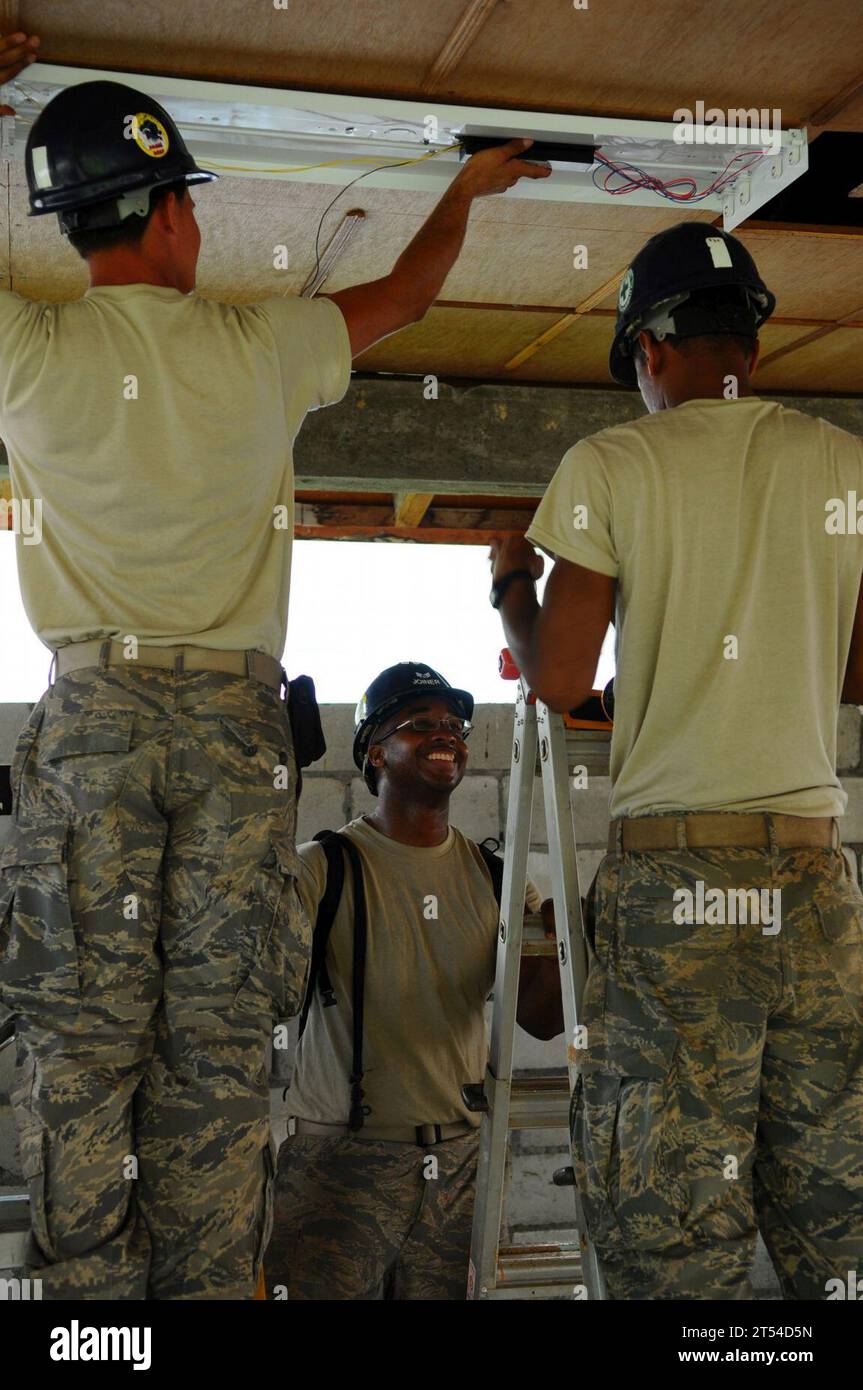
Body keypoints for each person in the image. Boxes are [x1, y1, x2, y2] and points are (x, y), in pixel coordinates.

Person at [0, 26, 549, 1299]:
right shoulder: (260, 346)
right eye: (191, 206)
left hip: (94, 719)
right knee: (212, 1045)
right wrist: (464, 190)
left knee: (82, 1043)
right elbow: (407, 295)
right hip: (231, 728)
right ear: (169, 218)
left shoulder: (29, 351)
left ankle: (89, 1326)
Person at [488, 220, 863, 1299]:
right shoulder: (842, 463)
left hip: (681, 886)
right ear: (750, 340)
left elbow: (560, 679)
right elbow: (853, 670)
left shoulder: (611, 464)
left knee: (670, 1221)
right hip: (814, 882)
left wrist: (511, 588)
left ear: (648, 350)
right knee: (834, 1205)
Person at [266, 662, 562, 1299]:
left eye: (454, 724)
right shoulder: (325, 868)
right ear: (376, 751)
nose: (446, 733)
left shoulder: (499, 879)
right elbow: (262, 980)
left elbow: (541, 1019)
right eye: (420, 723)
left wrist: (571, 943)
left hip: (458, 1165)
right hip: (342, 1164)